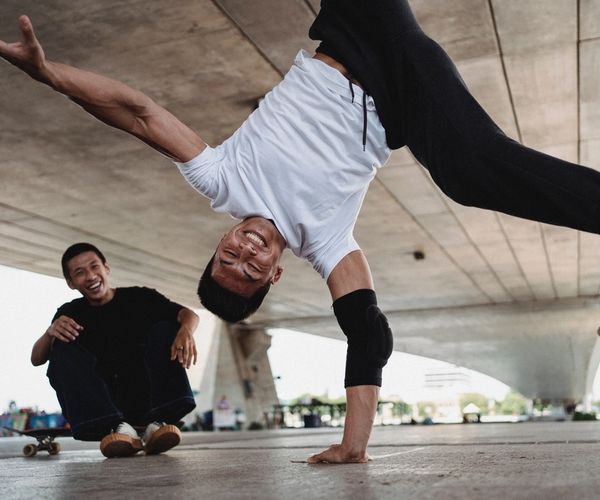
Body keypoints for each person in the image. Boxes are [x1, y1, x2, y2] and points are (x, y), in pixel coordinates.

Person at [3, 0, 600, 463]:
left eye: (227, 257)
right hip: (405, 90)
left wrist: (50, 74)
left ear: (220, 242)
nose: (245, 252)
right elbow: (367, 334)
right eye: (251, 271)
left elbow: (137, 112)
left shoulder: (222, 180)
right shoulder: (327, 240)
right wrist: (354, 443)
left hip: (352, 29)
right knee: (469, 174)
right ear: (276, 273)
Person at [30, 243, 199, 458]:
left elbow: (188, 314)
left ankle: (158, 423)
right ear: (71, 283)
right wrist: (50, 332)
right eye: (80, 273)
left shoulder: (141, 298)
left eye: (94, 267)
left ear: (106, 268)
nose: (90, 276)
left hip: (148, 399)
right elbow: (37, 359)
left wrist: (186, 330)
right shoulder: (70, 313)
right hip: (107, 408)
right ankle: (117, 429)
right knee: (61, 345)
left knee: (168, 327)